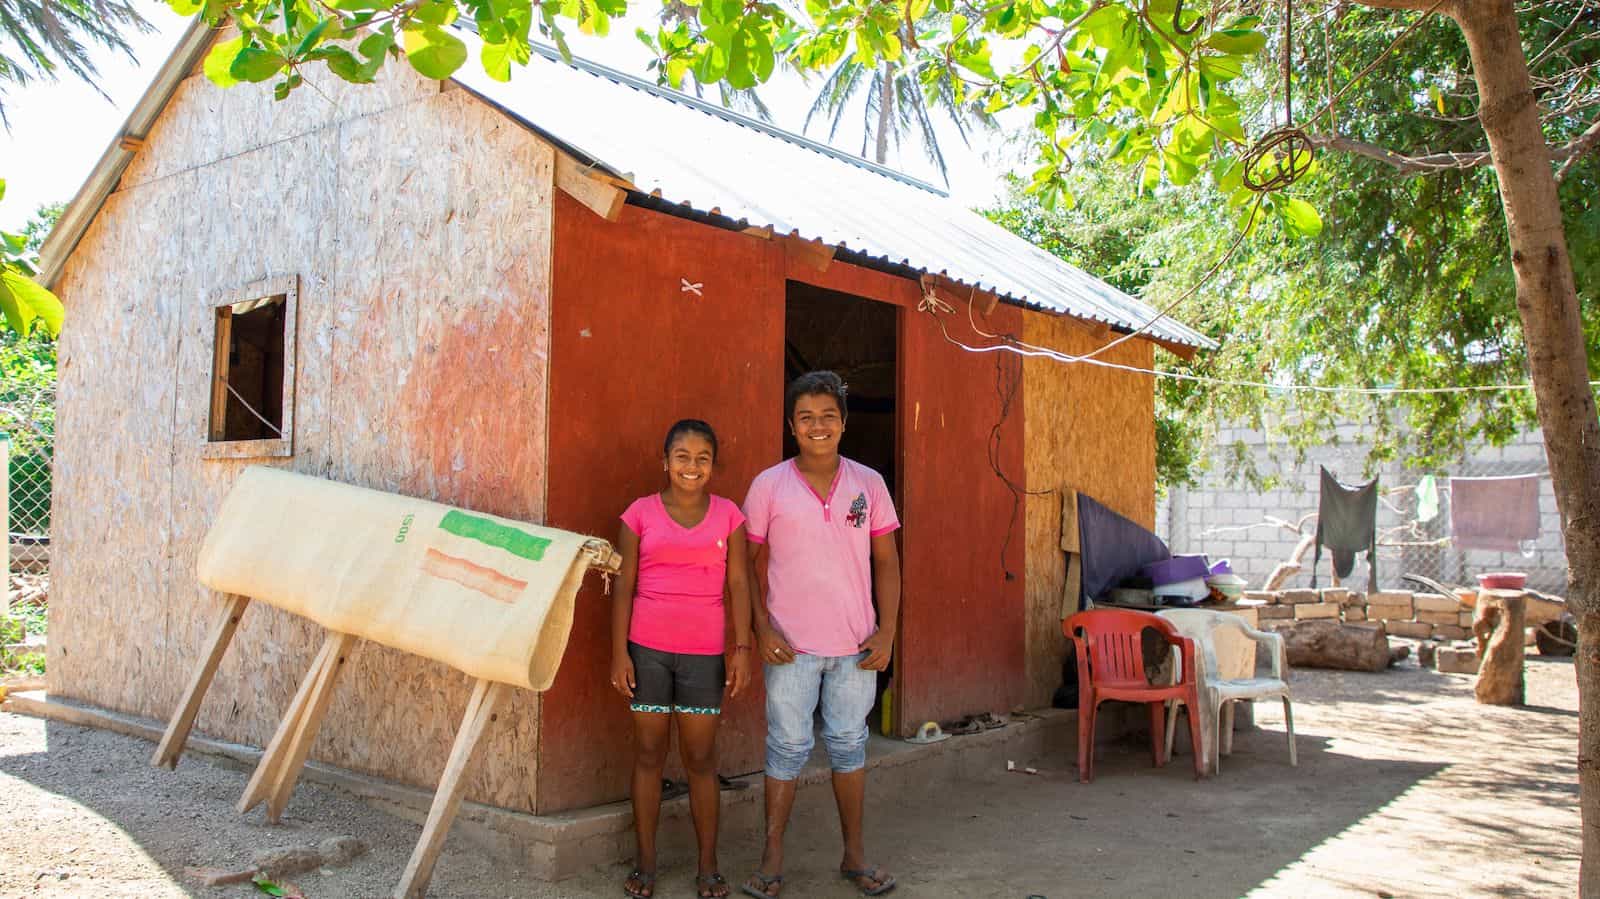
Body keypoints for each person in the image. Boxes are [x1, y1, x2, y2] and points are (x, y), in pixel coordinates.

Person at [740, 371, 901, 898]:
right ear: (791, 425)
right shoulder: (769, 485)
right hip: (790, 647)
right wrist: (761, 628)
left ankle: (854, 856)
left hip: (856, 647)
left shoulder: (868, 484)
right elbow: (748, 564)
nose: (818, 426)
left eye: (828, 416)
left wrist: (888, 631)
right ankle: (772, 858)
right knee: (786, 747)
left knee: (850, 745)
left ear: (844, 424)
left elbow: (887, 562)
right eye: (806, 417)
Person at [611, 419, 754, 899]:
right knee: (649, 755)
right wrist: (619, 655)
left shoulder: (730, 516)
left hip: (704, 657)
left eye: (702, 458)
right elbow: (624, 587)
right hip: (647, 652)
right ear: (665, 461)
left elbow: (738, 585)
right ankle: (646, 864)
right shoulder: (639, 515)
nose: (691, 467)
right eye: (682, 456)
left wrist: (742, 650)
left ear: (713, 465)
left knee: (700, 759)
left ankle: (708, 867)